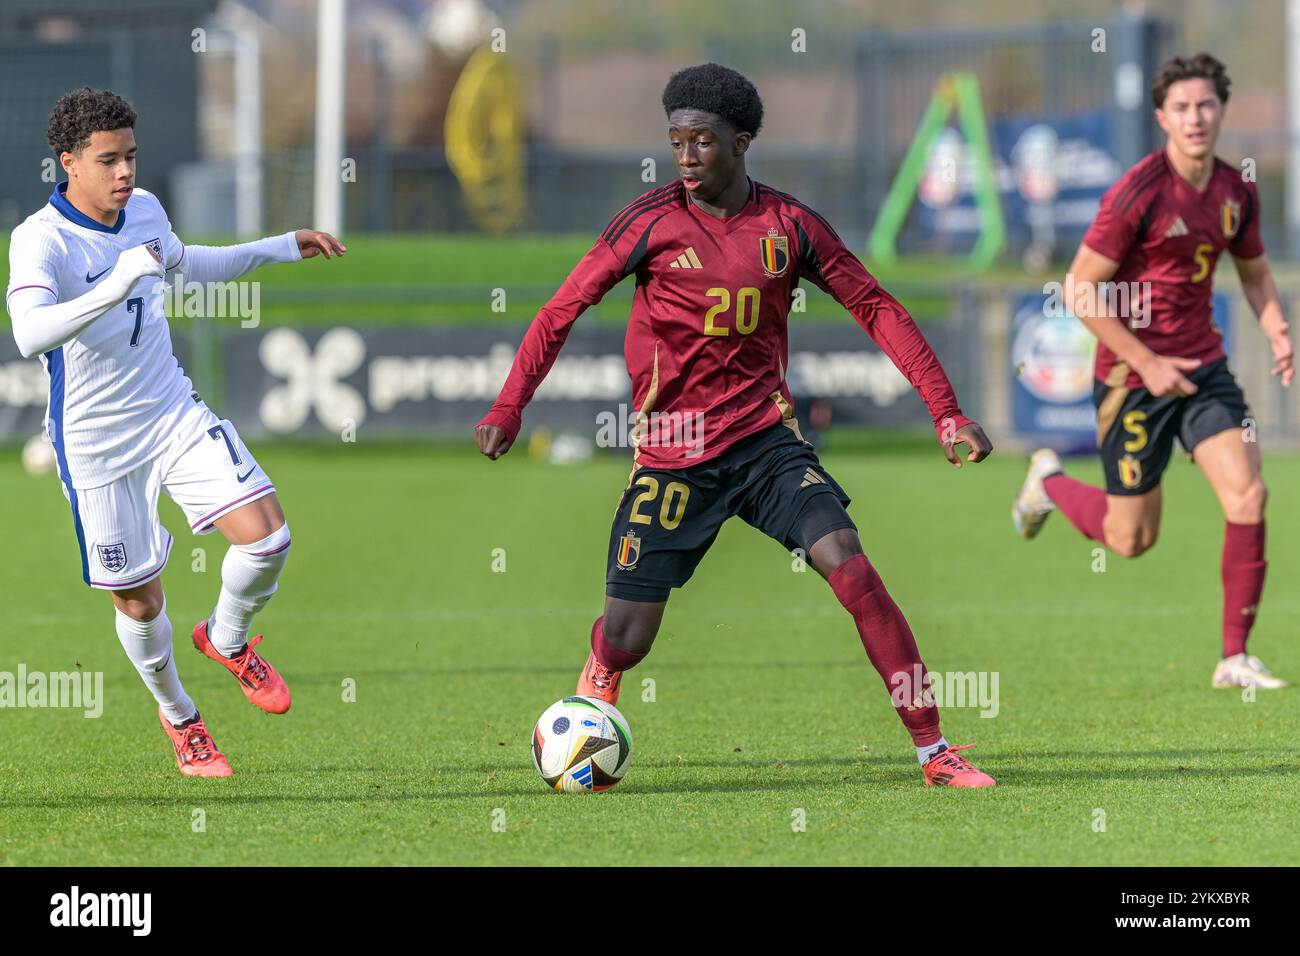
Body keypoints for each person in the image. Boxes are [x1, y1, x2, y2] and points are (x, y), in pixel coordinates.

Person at [477, 64, 997, 787]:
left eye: (703, 142)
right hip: (671, 456)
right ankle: (604, 665)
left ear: (741, 142)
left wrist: (946, 412)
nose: (686, 157)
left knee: (851, 565)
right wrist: (510, 404)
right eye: (676, 141)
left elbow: (876, 306)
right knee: (629, 638)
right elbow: (562, 309)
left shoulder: (789, 226)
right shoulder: (649, 222)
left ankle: (934, 751)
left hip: (764, 444)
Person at [6, 88, 346, 775]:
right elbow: (28, 333)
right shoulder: (40, 240)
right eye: (108, 160)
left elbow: (189, 263)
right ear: (68, 162)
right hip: (95, 443)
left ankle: (227, 637)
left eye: (131, 156)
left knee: (270, 537)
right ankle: (182, 719)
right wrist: (116, 279)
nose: (125, 172)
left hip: (170, 413)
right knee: (140, 600)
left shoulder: (146, 212)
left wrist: (281, 246)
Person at [1012, 54, 1293, 689]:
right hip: (1132, 381)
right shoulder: (1137, 191)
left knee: (1249, 494)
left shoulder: (1235, 191)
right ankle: (1048, 481)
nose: (1196, 118)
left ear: (1221, 110)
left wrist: (1275, 325)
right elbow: (1079, 289)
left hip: (1203, 372)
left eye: (1207, 105)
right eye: (1183, 108)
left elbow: (1252, 273)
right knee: (1131, 539)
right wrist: (1145, 360)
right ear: (1162, 117)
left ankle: (1234, 657)